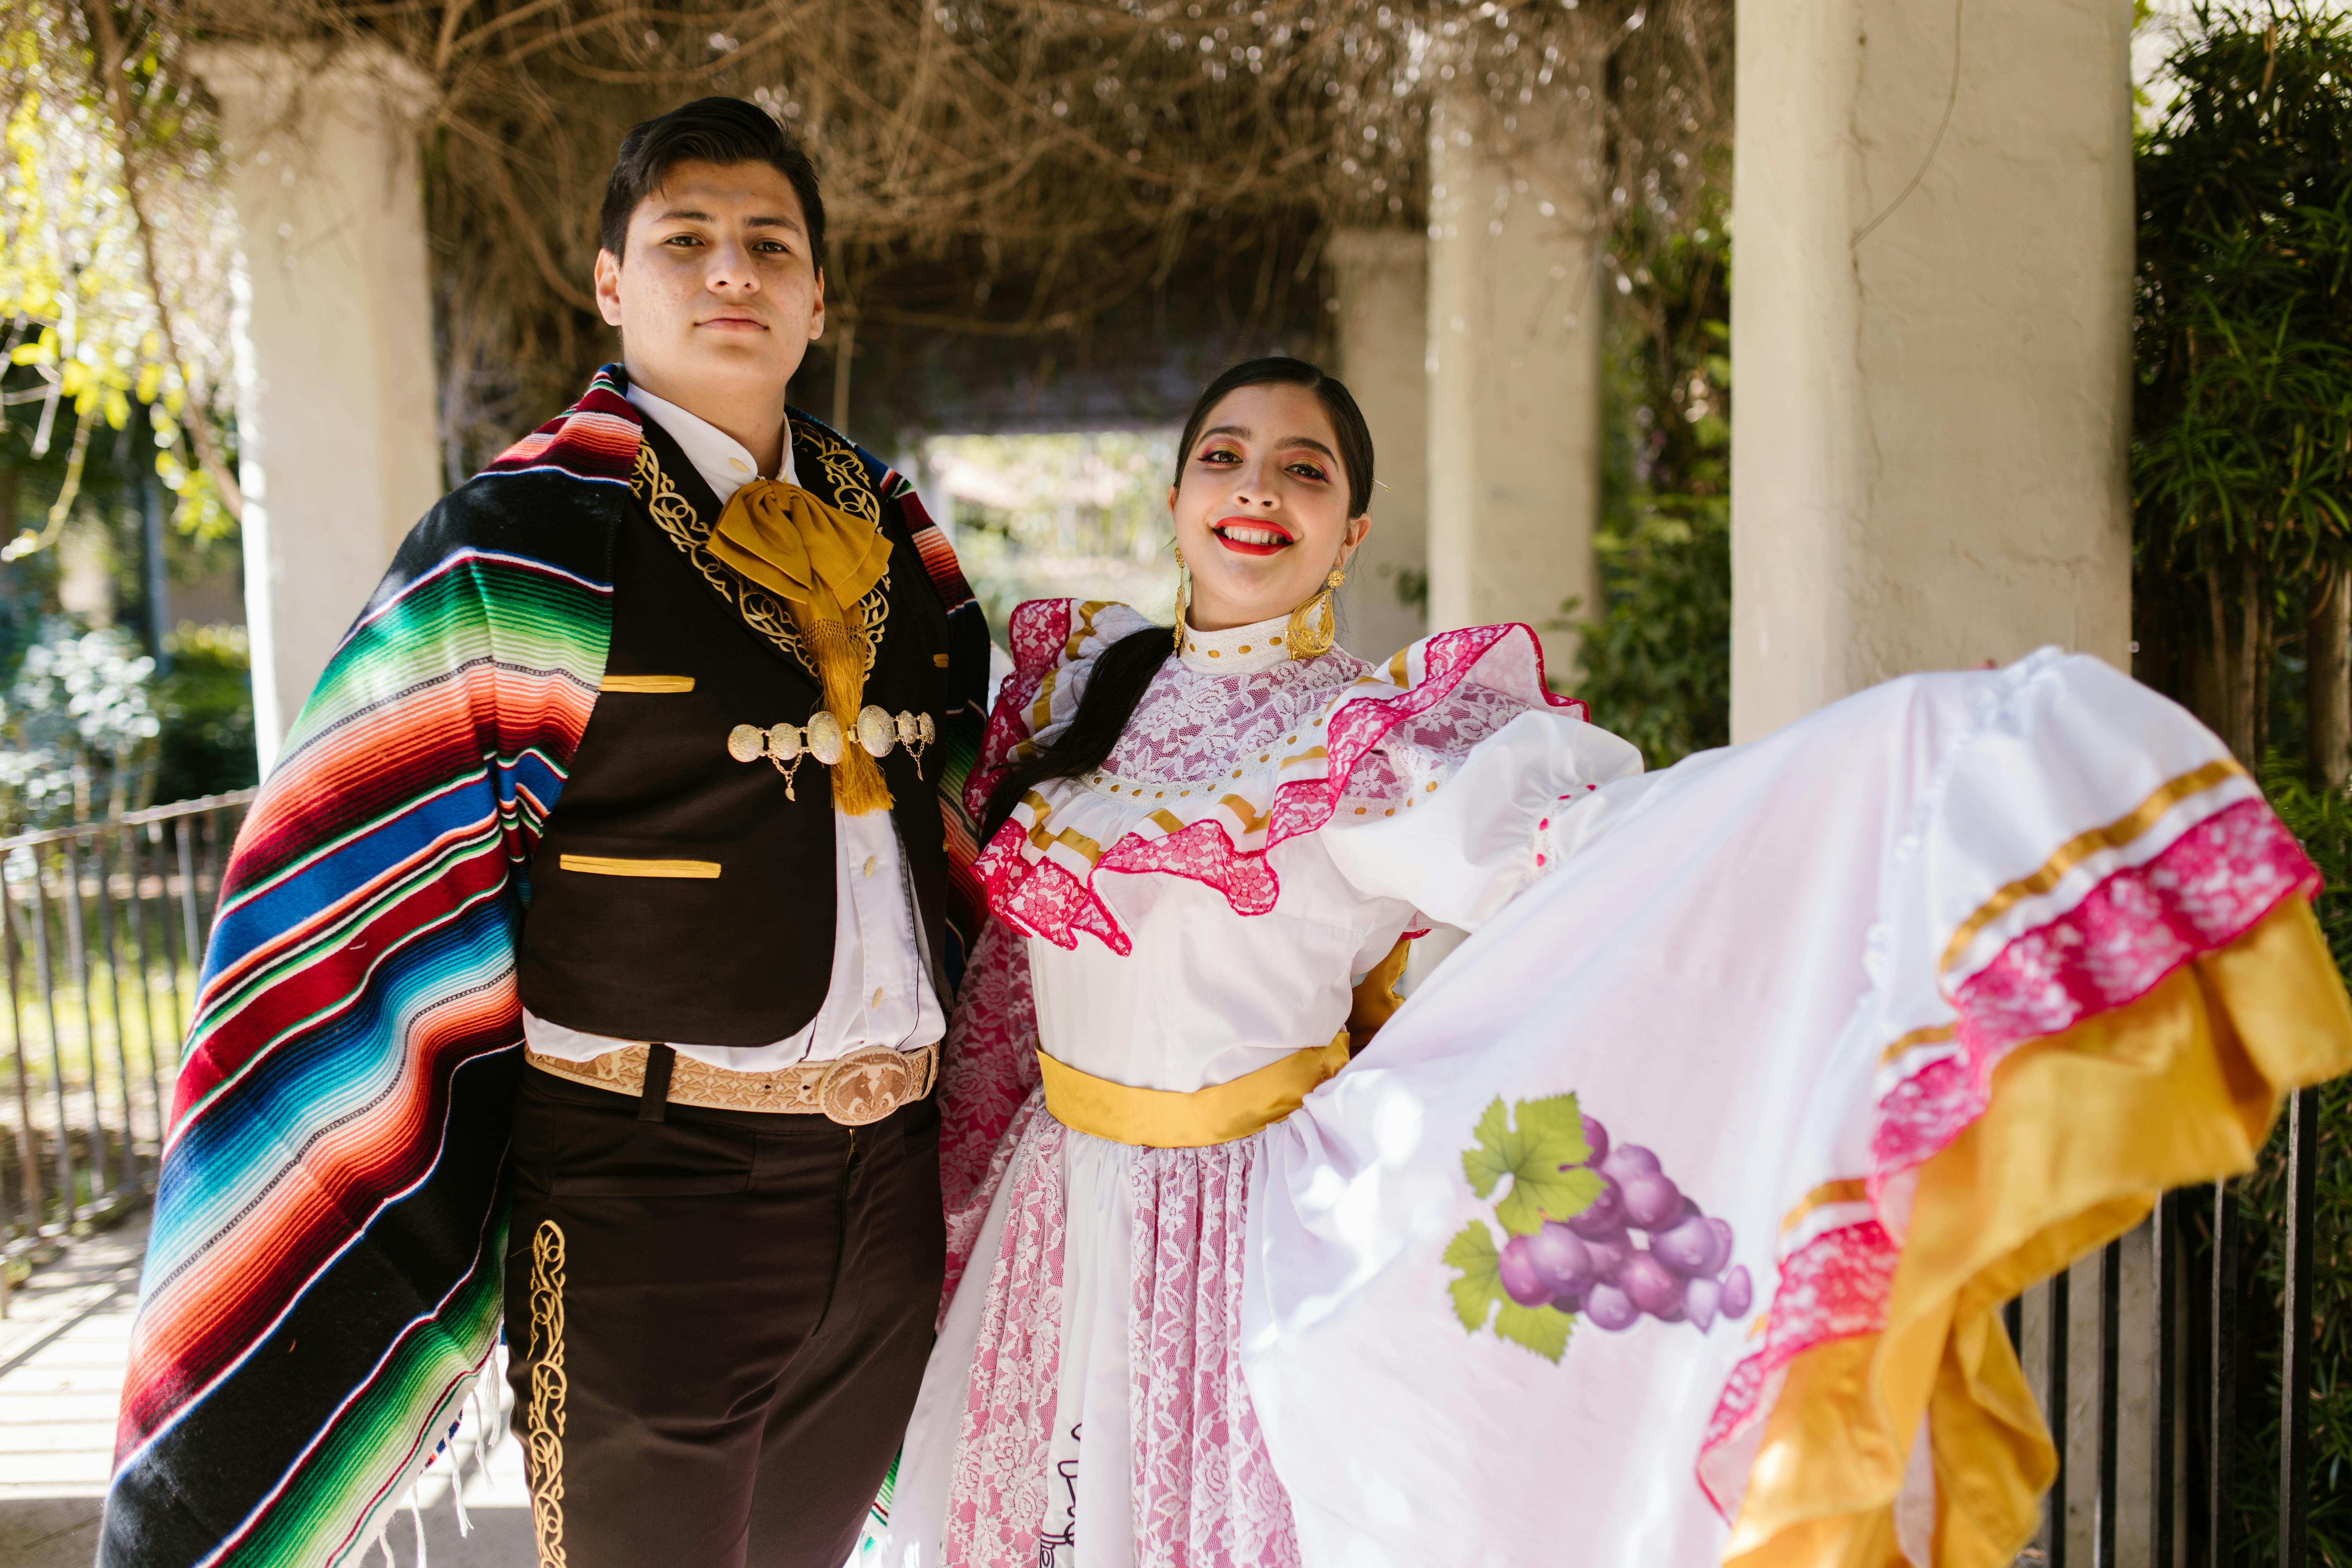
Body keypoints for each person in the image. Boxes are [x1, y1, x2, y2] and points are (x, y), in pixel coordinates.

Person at [873, 356, 2352, 1566]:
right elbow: (1005, 990)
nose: (1259, 487)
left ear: (1350, 534)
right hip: (1052, 1225)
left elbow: (1592, 853)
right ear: (1177, 493)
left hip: (1230, 1242)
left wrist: (1863, 764)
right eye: (1227, 457)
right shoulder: (1073, 691)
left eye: (1305, 470)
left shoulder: (1373, 746)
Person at [103, 99, 992, 1568]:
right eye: (686, 241)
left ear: (817, 296)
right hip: (650, 1201)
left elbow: (967, 809)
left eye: (770, 246)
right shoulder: (519, 539)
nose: (731, 274)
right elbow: (351, 865)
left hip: (885, 1195)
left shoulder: (894, 532)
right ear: (610, 285)